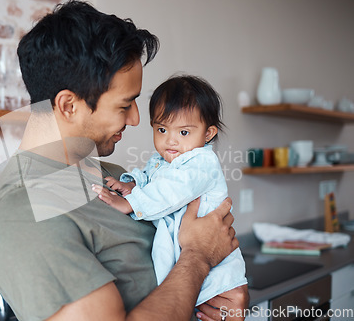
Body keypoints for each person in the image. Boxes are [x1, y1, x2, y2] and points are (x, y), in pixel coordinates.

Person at [0, 0, 248, 321]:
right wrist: (199, 256)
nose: (137, 119)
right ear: (68, 105)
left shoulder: (114, 176)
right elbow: (197, 250)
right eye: (125, 105)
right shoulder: (22, 215)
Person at [92, 75, 248, 306]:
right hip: (189, 262)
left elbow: (172, 190)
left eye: (183, 132)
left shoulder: (201, 163)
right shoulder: (163, 161)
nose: (170, 141)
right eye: (162, 129)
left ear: (208, 134)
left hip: (216, 274)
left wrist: (131, 203)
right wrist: (132, 185)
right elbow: (151, 178)